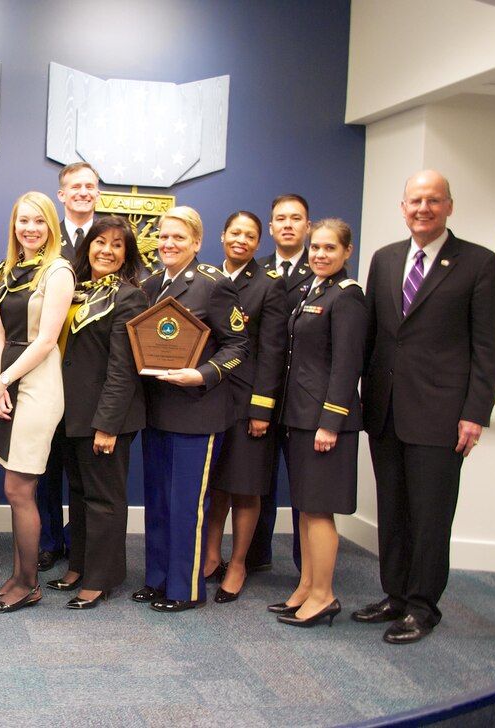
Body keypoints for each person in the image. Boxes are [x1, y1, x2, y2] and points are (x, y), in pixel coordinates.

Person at [357, 170, 495, 644]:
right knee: (393, 510)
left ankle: (423, 607)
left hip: (441, 415)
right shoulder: (384, 260)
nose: (423, 208)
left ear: (449, 206)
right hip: (386, 410)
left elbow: (489, 347)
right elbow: (376, 336)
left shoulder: (478, 264)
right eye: (415, 200)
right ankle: (395, 595)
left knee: (430, 514)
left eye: (433, 200)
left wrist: (475, 413)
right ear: (403, 208)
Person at [137, 206, 248, 613]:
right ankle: (157, 578)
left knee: (186, 504)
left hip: (197, 411)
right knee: (158, 499)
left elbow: (239, 347)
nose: (169, 244)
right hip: (157, 411)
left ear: (197, 243)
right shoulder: (149, 285)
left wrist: (203, 374)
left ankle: (184, 588)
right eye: (164, 237)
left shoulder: (213, 285)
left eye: (179, 238)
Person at [48, 216, 147, 609]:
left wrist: (106, 425)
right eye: (100, 242)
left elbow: (123, 369)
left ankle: (101, 579)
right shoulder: (75, 290)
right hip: (71, 414)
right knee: (80, 493)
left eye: (117, 245)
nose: (106, 250)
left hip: (107, 418)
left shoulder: (128, 297)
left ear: (127, 255)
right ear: (87, 246)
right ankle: (79, 565)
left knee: (104, 499)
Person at [0, 191, 75, 613]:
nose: (30, 228)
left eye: (39, 221)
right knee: (14, 486)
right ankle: (17, 577)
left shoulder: (58, 271)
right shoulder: (9, 270)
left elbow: (45, 340)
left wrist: (3, 378)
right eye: (23, 221)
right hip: (7, 382)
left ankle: (28, 583)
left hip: (37, 385)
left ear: (51, 226)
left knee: (20, 488)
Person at [272, 218, 366, 627]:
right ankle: (307, 587)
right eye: (316, 248)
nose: (320, 255)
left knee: (320, 511)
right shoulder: (314, 289)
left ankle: (324, 595)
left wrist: (330, 422)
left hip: (325, 423)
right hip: (300, 416)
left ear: (347, 252)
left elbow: (347, 366)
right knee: (306, 510)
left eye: (330, 248)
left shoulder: (347, 296)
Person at [203, 212, 288, 603]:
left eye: (250, 236)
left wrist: (262, 408)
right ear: (222, 236)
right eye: (235, 232)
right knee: (217, 483)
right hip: (210, 397)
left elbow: (272, 352)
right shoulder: (205, 277)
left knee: (246, 486)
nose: (241, 240)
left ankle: (238, 564)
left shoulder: (270, 286)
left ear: (258, 242)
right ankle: (210, 556)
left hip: (248, 399)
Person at [37, 162, 103, 572]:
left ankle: (78, 541)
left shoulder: (109, 238)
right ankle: (48, 540)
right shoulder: (45, 237)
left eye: (90, 186)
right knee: (45, 466)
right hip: (47, 367)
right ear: (61, 194)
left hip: (91, 375)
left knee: (84, 471)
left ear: (98, 192)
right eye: (74, 186)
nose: (82, 191)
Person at [247, 193, 314, 572]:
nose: (288, 224)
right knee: (260, 478)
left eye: (296, 218)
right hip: (262, 390)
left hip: (303, 393)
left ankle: (308, 567)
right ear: (270, 228)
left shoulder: (325, 267)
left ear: (307, 225)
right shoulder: (256, 270)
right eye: (280, 219)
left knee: (305, 487)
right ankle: (257, 556)